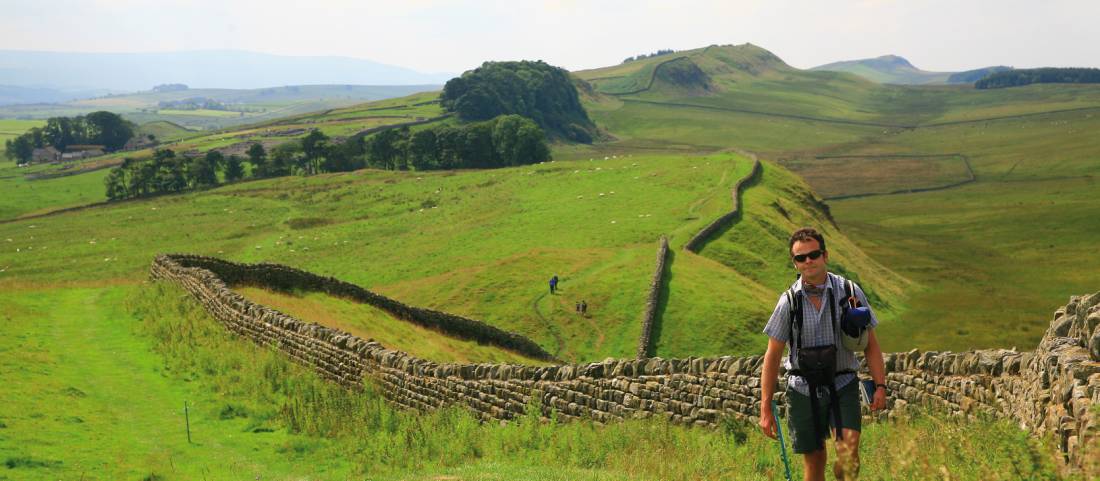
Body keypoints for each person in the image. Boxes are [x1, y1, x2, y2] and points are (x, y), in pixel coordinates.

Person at [759, 227, 888, 481]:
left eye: (813, 254)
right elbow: (772, 356)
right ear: (794, 263)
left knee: (849, 457)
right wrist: (765, 407)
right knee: (815, 465)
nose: (808, 261)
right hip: (803, 388)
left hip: (843, 383)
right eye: (800, 257)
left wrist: (880, 385)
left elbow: (871, 344)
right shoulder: (788, 302)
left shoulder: (850, 292)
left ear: (825, 255)